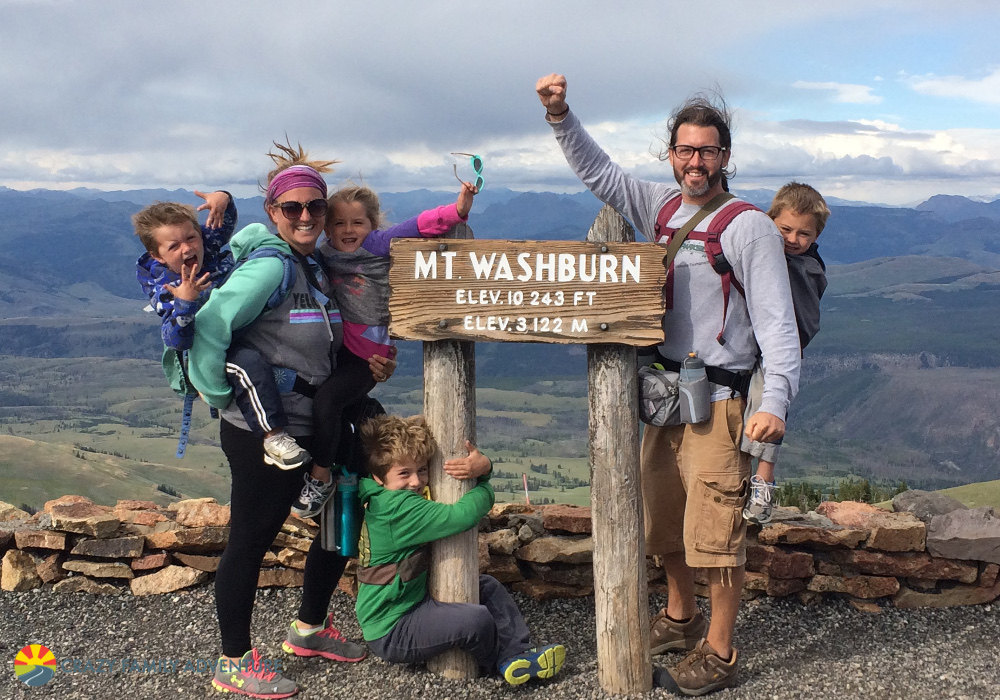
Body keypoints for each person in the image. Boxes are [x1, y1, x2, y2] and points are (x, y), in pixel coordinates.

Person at [536, 74, 800, 696]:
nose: (696, 161)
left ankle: (719, 652)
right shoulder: (656, 206)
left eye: (708, 150)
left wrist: (778, 400)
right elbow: (597, 172)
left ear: (725, 157)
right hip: (664, 398)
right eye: (685, 149)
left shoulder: (748, 227)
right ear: (671, 153)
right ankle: (682, 619)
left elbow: (777, 324)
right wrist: (560, 115)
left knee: (716, 534)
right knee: (667, 524)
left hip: (722, 400)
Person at [187, 142, 397, 699]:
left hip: (321, 423)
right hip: (267, 430)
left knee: (337, 529)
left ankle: (309, 630)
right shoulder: (270, 268)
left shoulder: (315, 267)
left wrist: (373, 365)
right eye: (293, 208)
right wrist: (215, 390)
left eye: (315, 207)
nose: (306, 216)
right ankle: (233, 661)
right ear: (274, 214)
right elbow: (210, 325)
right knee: (251, 541)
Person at [290, 181, 478, 519]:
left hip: (367, 356)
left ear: (372, 226)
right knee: (341, 414)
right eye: (339, 223)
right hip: (339, 353)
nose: (349, 230)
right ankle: (356, 485)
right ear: (327, 228)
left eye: (357, 223)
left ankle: (319, 477)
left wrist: (458, 210)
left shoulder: (376, 245)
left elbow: (419, 226)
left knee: (328, 402)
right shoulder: (323, 254)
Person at [355, 414, 567, 685]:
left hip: (412, 604)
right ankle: (503, 662)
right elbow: (463, 516)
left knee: (486, 586)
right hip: (392, 629)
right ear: (379, 477)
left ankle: (518, 652)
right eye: (404, 473)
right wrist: (485, 479)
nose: (416, 482)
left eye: (422, 469)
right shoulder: (398, 508)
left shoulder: (381, 494)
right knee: (475, 620)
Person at [134, 192, 311, 470]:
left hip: (232, 327)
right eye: (174, 246)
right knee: (249, 365)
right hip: (207, 346)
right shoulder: (165, 286)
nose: (186, 249)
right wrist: (185, 303)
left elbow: (223, 224)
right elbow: (176, 339)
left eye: (191, 238)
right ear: (157, 256)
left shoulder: (206, 243)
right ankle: (273, 436)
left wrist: (223, 199)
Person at [742, 182, 830, 524]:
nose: (793, 239)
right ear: (770, 220)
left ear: (816, 235)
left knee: (769, 410)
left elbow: (799, 317)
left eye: (804, 234)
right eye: (786, 230)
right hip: (749, 349)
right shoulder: (762, 253)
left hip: (779, 351)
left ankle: (763, 484)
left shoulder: (807, 269)